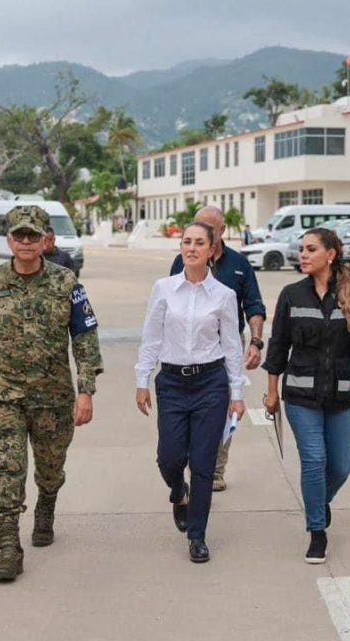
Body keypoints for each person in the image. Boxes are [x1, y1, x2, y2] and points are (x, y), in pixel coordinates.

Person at [0, 205, 103, 582]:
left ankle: (47, 503)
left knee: (50, 466)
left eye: (33, 236)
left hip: (53, 396)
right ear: (9, 240)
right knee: (8, 468)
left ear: (45, 240)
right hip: (5, 395)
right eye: (19, 235)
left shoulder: (66, 283)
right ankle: (9, 545)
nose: (26, 242)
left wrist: (85, 390)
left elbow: (85, 339)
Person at [264, 227, 350, 564]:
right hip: (300, 395)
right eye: (302, 249)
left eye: (311, 249)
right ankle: (317, 531)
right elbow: (278, 345)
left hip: (341, 394)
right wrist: (271, 391)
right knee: (314, 460)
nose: (304, 255)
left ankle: (317, 501)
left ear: (331, 254)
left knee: (340, 466)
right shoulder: (291, 295)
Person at [137, 222, 245, 564]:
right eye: (186, 242)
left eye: (199, 243)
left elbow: (231, 346)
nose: (192, 248)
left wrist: (237, 391)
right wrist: (143, 379)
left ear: (212, 250)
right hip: (171, 383)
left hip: (210, 384)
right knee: (169, 457)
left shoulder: (224, 296)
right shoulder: (164, 289)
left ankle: (197, 535)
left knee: (203, 463)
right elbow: (151, 336)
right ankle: (177, 490)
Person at [169, 206, 266, 492]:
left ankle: (215, 468)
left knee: (225, 408)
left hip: (226, 348)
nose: (200, 235)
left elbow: (254, 305)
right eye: (197, 227)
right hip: (188, 350)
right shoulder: (180, 261)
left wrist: (256, 342)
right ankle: (193, 460)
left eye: (208, 229)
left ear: (221, 232)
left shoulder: (239, 264)